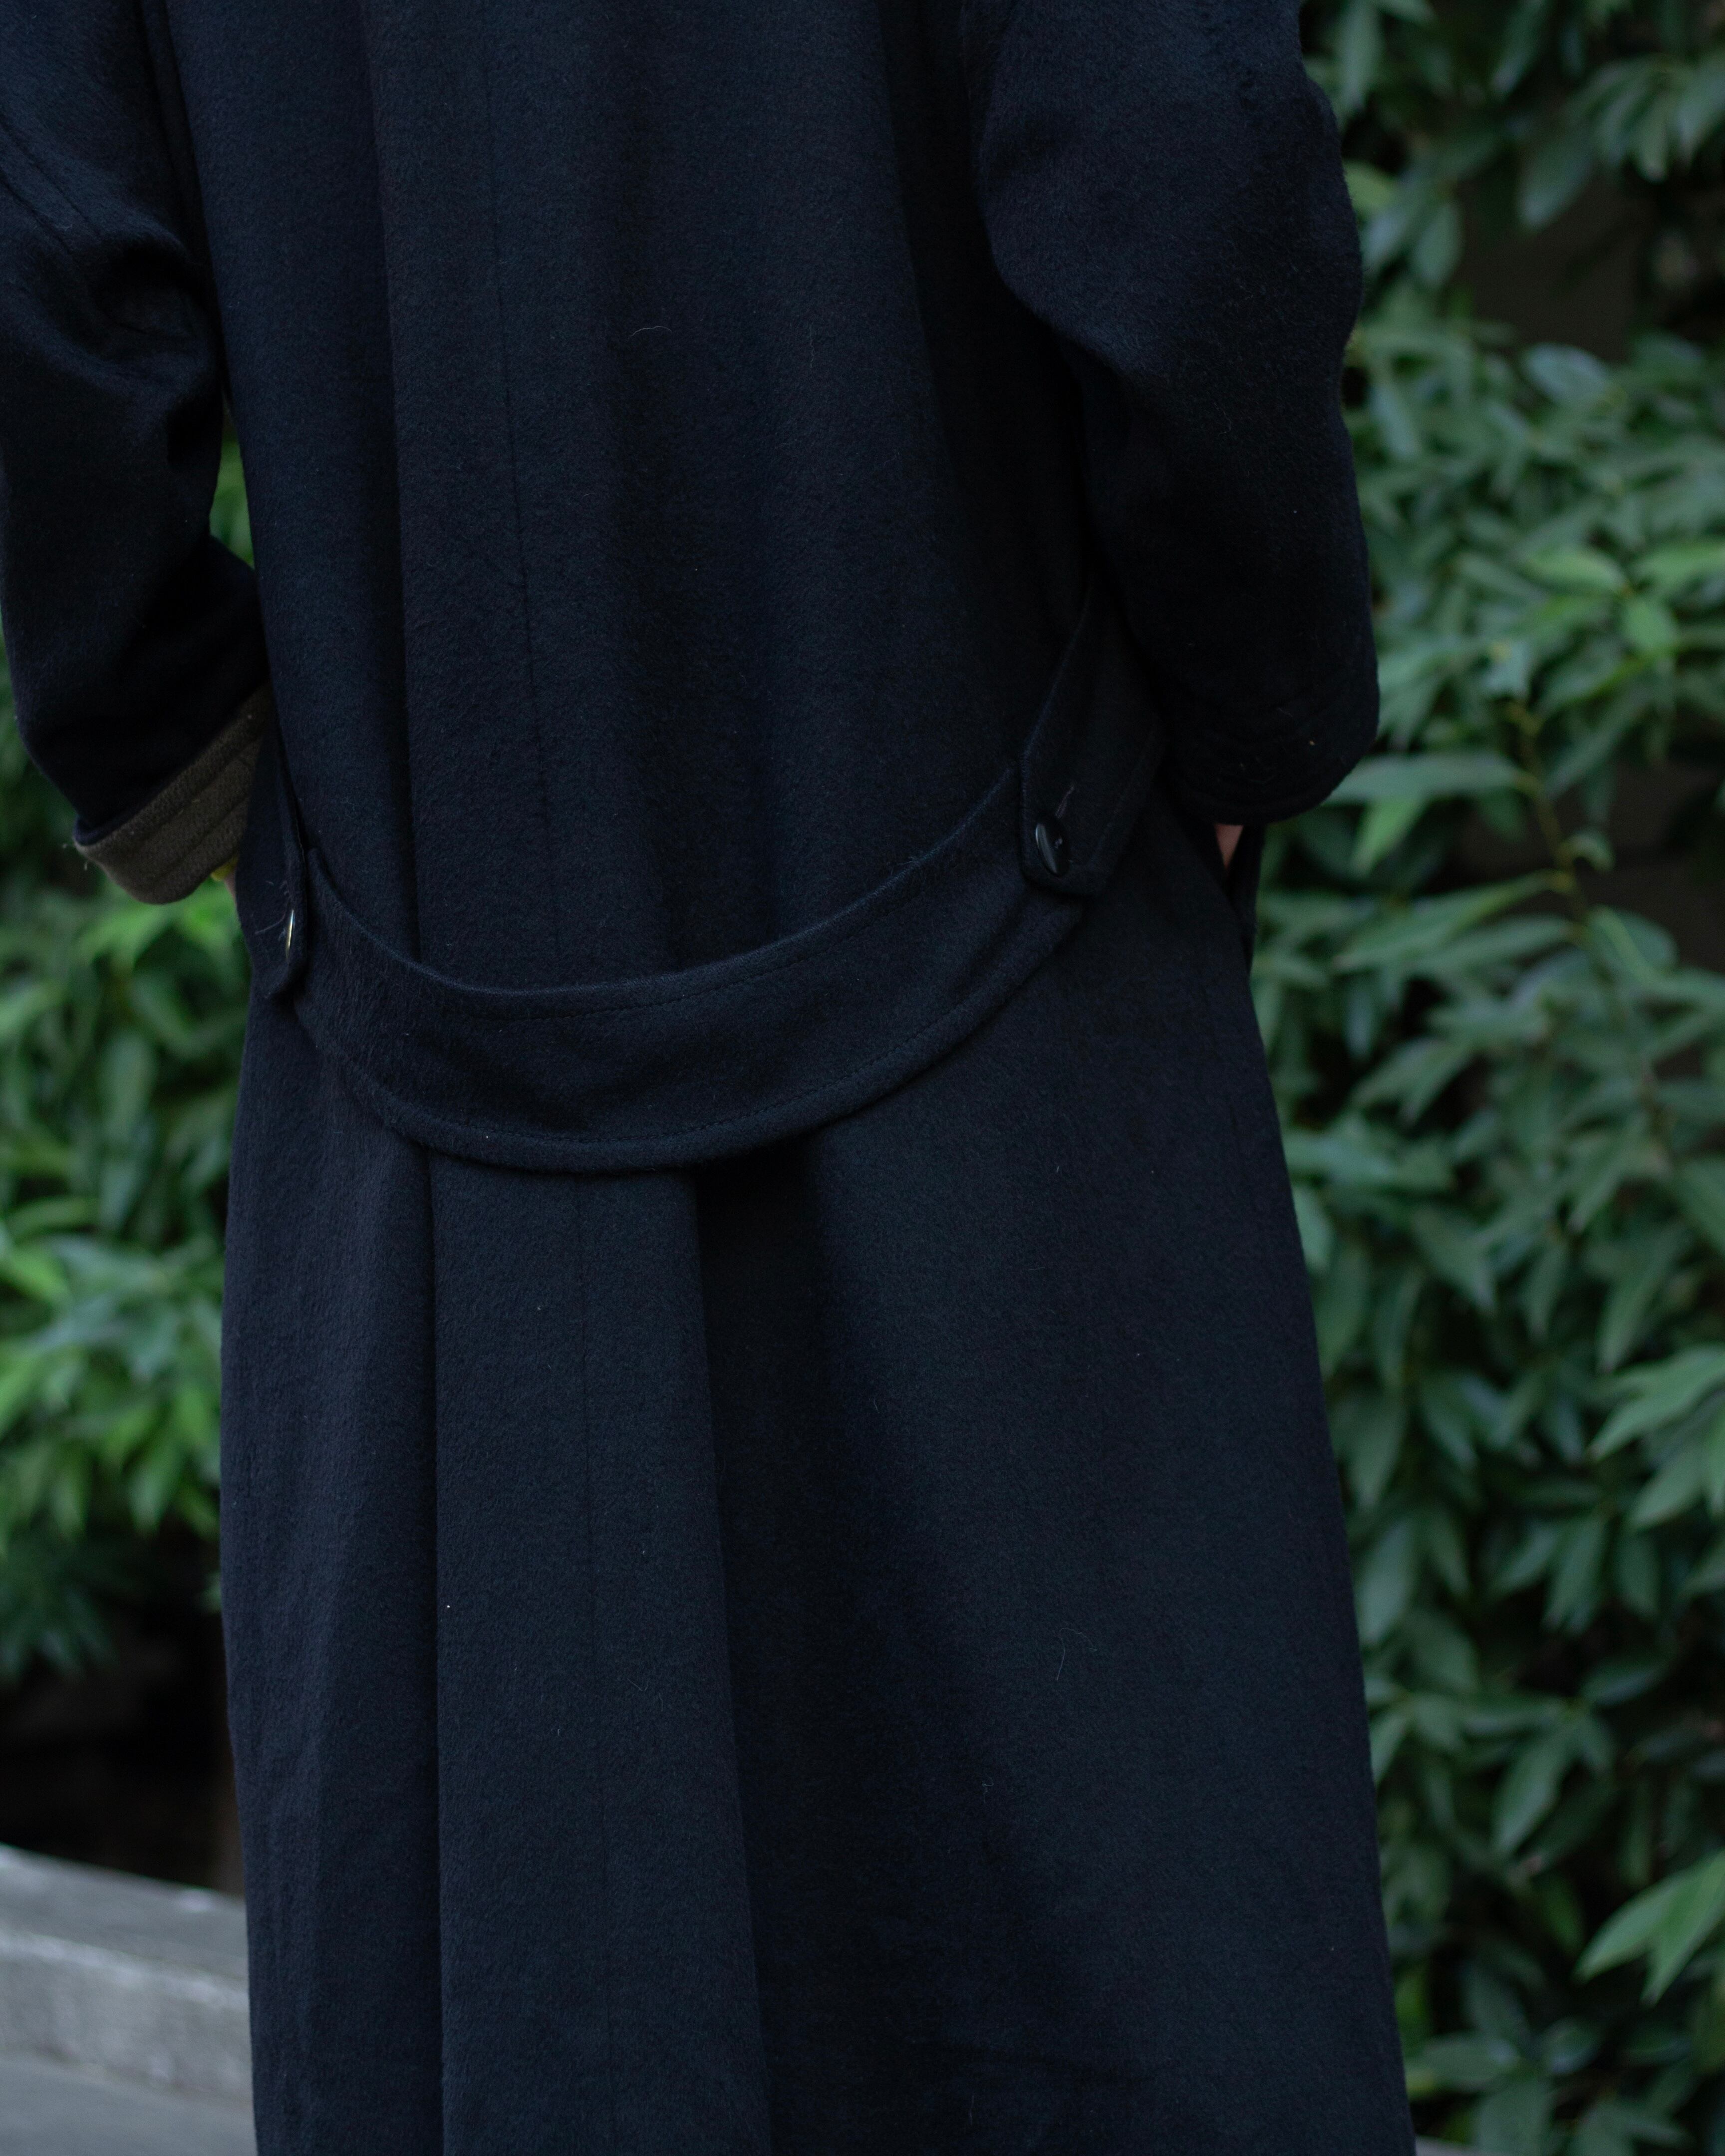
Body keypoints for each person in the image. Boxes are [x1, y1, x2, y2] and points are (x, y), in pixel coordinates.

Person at [0, 0, 1416, 2147]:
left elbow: (45, 269)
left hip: (441, 1069)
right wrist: (1245, 704)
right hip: (1008, 1007)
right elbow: (1184, 170)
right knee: (1109, 1994)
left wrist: (191, 752)